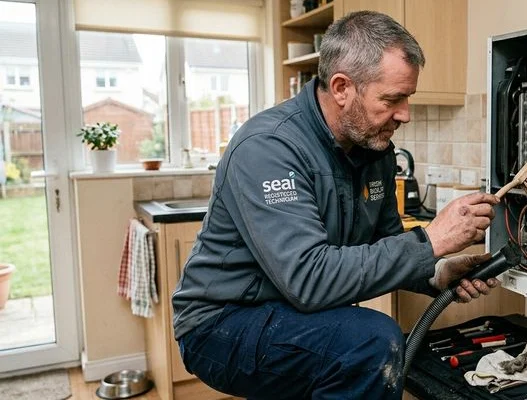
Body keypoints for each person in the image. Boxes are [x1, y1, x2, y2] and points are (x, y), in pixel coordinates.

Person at [172, 11, 500, 400]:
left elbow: (387, 244)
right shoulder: (269, 148)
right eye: (393, 98)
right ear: (342, 88)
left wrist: (436, 272)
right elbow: (309, 280)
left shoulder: (374, 149)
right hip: (221, 323)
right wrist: (430, 242)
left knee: (358, 343)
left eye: (408, 97)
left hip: (293, 314)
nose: (405, 114)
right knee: (369, 344)